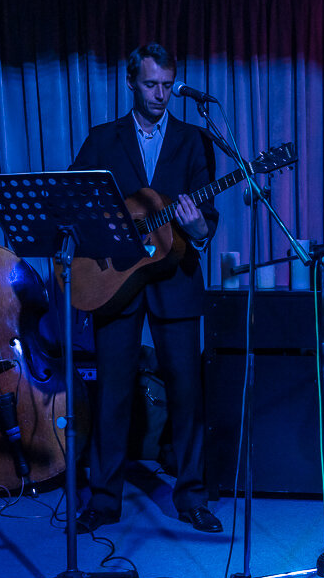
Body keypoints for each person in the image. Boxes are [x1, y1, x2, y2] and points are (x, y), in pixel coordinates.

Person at [69, 42, 222, 534]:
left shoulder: (195, 140)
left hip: (176, 276)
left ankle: (192, 495)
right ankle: (103, 499)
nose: (160, 94)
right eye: (151, 84)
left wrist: (197, 227)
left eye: (166, 86)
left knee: (186, 390)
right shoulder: (102, 139)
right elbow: (74, 201)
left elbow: (206, 228)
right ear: (131, 82)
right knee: (113, 391)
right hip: (116, 279)